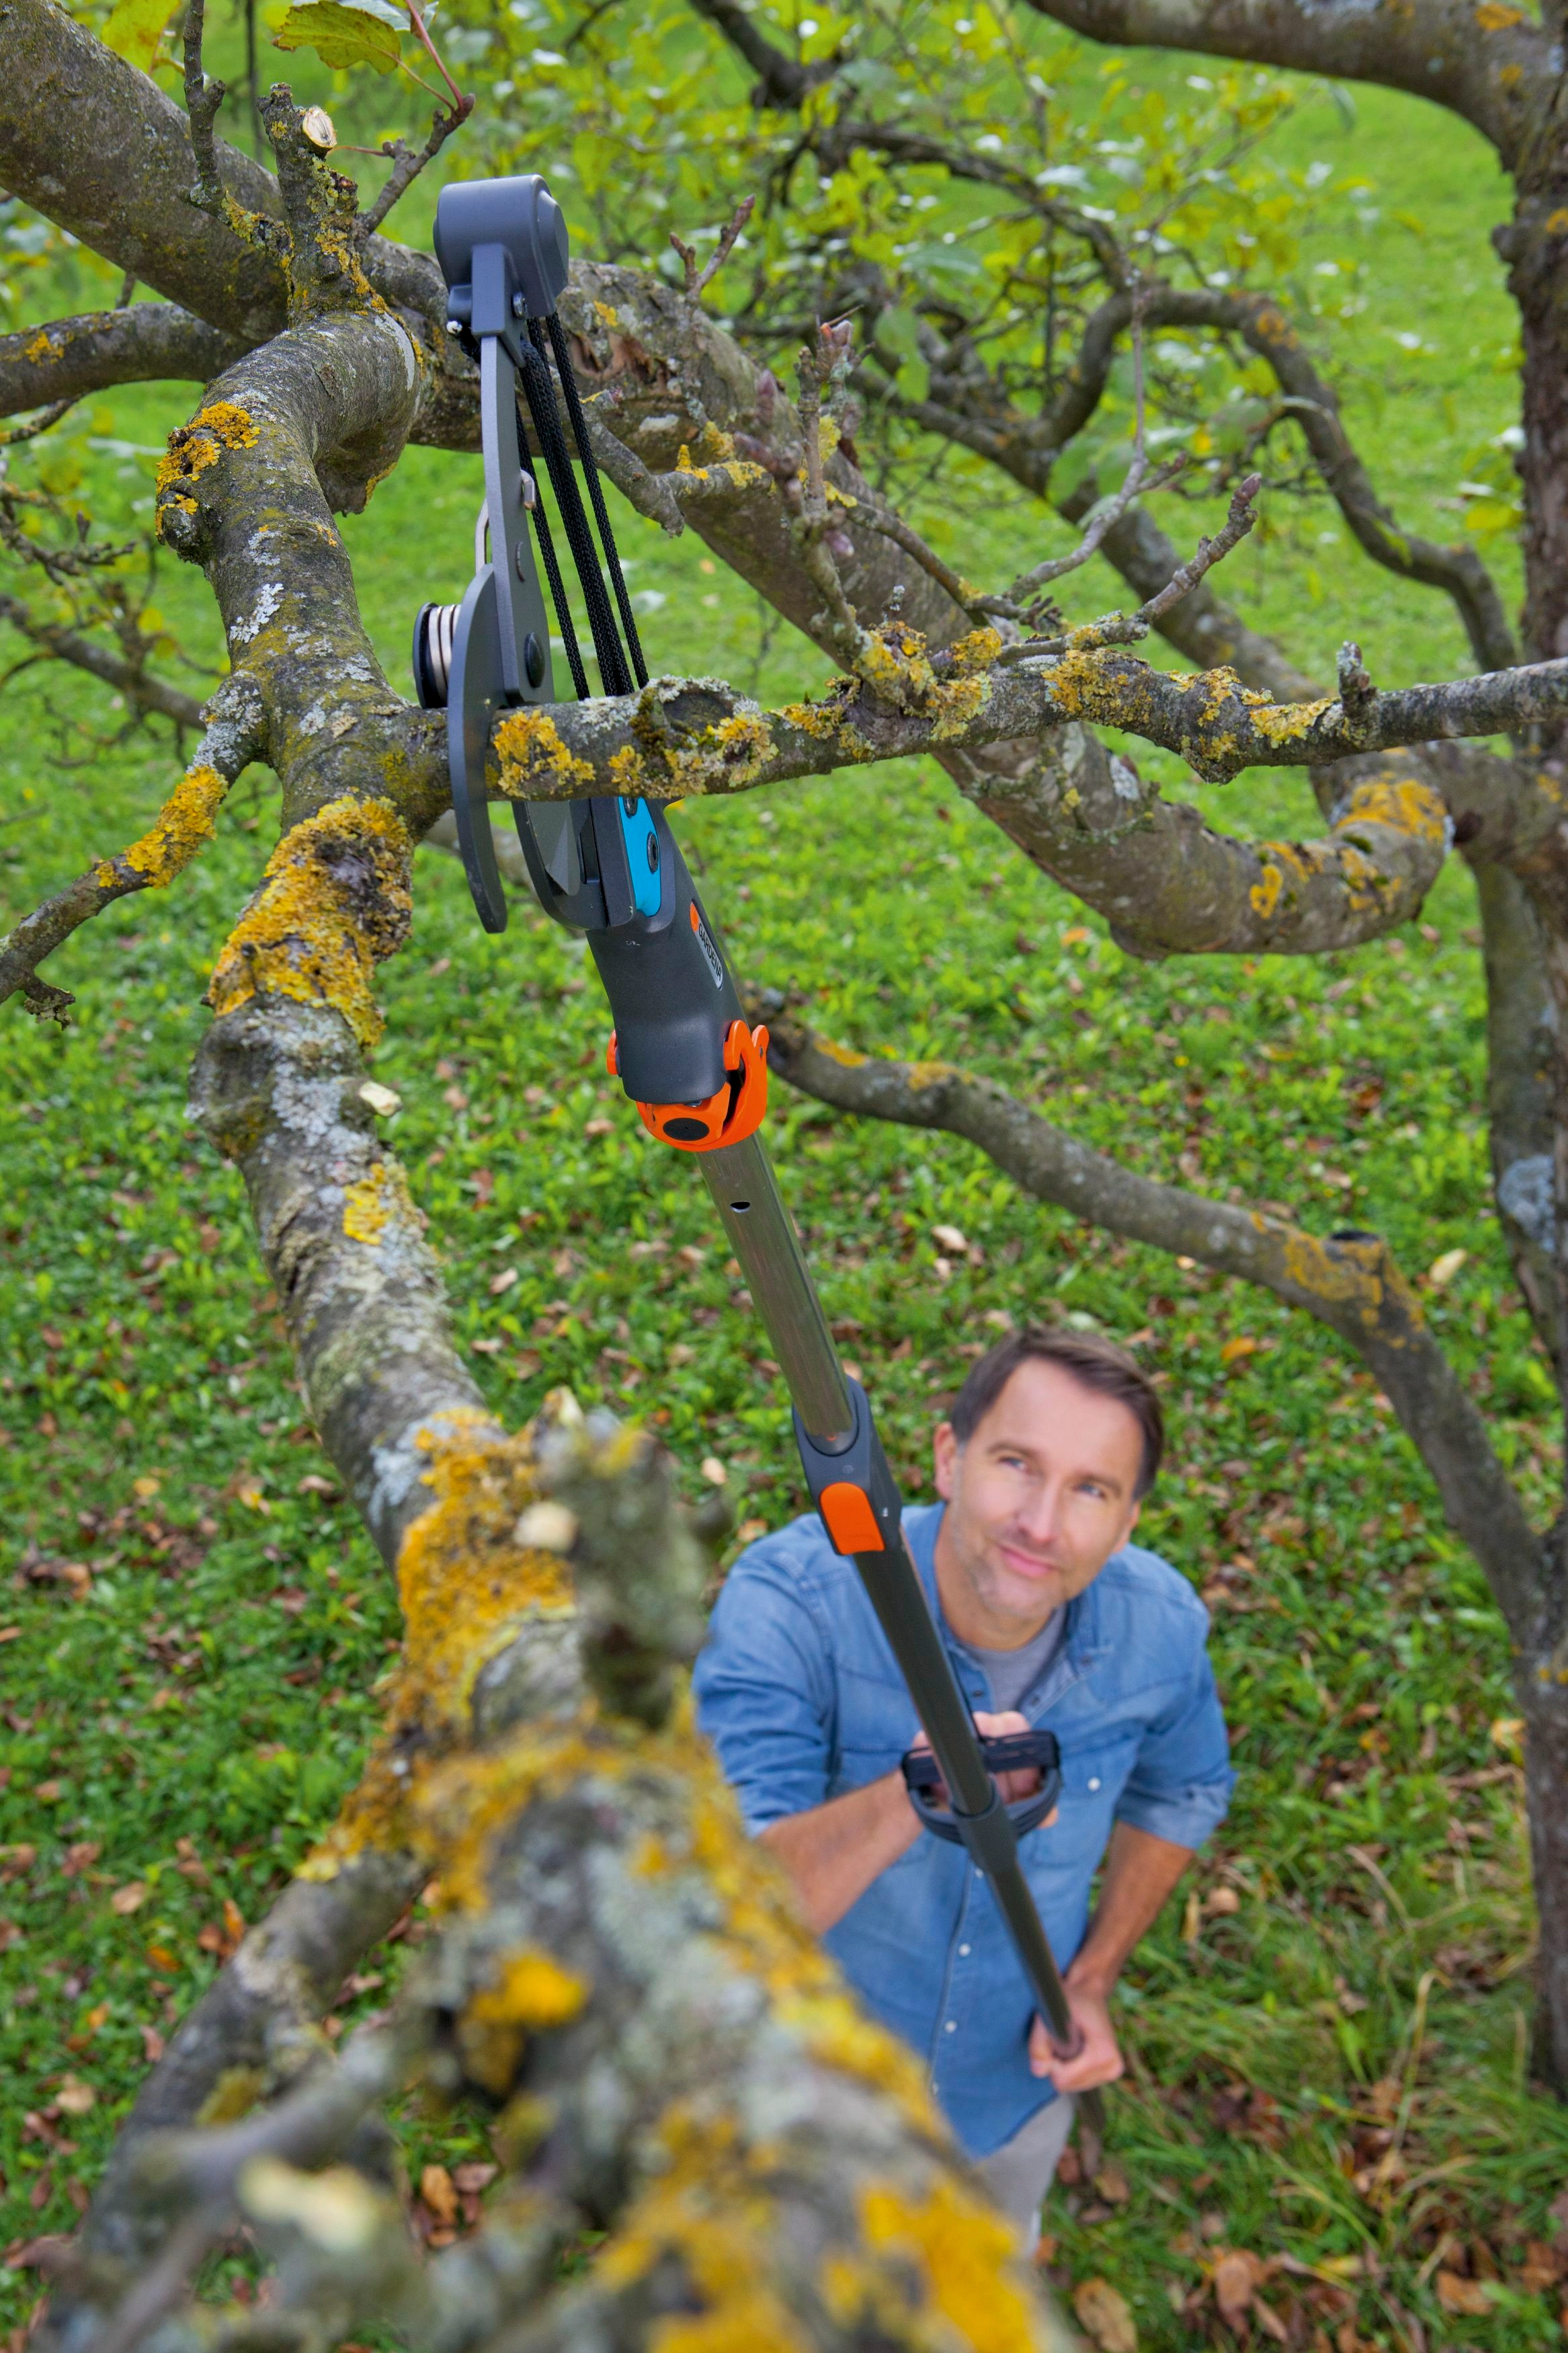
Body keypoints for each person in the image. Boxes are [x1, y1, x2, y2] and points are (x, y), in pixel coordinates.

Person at [692, 1324, 1234, 2242]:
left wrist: (1095, 1978)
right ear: (948, 1457)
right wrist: (917, 1793)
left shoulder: (1160, 1631)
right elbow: (734, 1907)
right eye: (1017, 1463)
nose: (1043, 1524)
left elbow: (1182, 1790)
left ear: (1128, 1520)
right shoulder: (794, 1606)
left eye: (1091, 1489)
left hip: (1004, 2113)